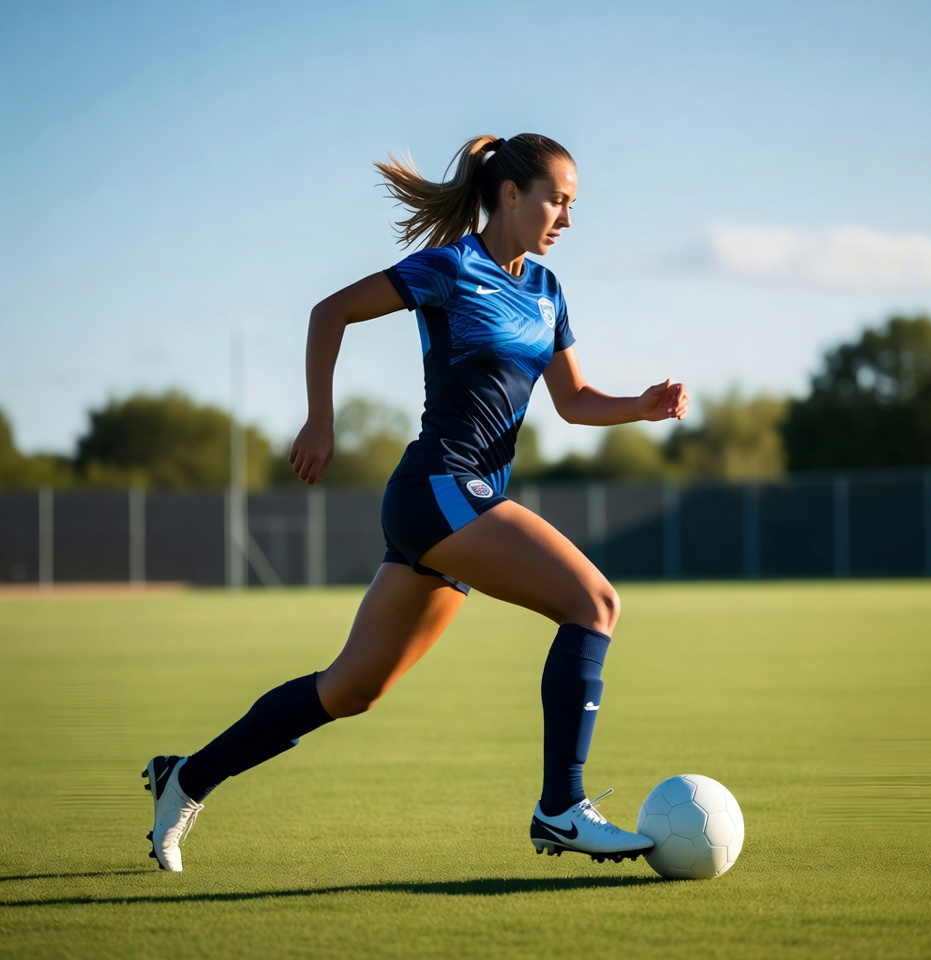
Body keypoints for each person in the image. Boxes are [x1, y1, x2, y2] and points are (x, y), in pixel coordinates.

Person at [143, 132, 689, 872]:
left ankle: (186, 777)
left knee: (351, 689)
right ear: (509, 194)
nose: (566, 218)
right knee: (594, 603)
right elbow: (329, 312)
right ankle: (561, 808)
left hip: (460, 502)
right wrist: (319, 418)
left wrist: (642, 407)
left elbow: (574, 400)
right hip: (439, 487)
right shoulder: (450, 268)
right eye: (556, 200)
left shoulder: (547, 291)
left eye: (572, 204)